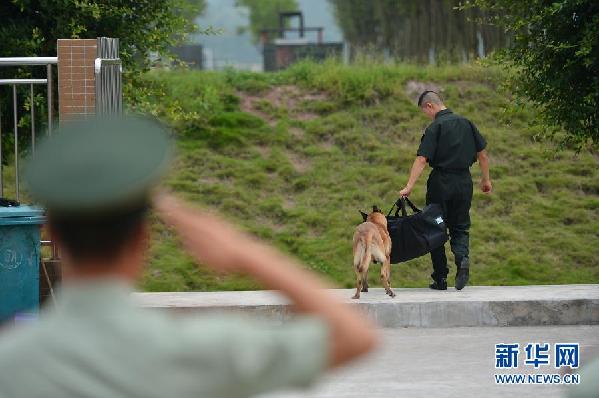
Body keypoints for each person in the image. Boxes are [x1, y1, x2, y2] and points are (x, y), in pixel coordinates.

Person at [0, 116, 377, 398]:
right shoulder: (201, 349)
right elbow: (355, 335)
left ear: (51, 234)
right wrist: (245, 251)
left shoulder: (12, 361)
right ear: (142, 240)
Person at [399, 91, 492, 291]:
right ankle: (462, 260)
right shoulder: (467, 123)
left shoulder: (436, 127)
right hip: (464, 182)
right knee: (460, 225)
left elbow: (422, 159)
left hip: (441, 183)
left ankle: (440, 278)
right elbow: (482, 155)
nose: (427, 116)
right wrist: (486, 180)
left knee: (435, 227)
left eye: (425, 112)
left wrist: (409, 186)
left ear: (429, 106)